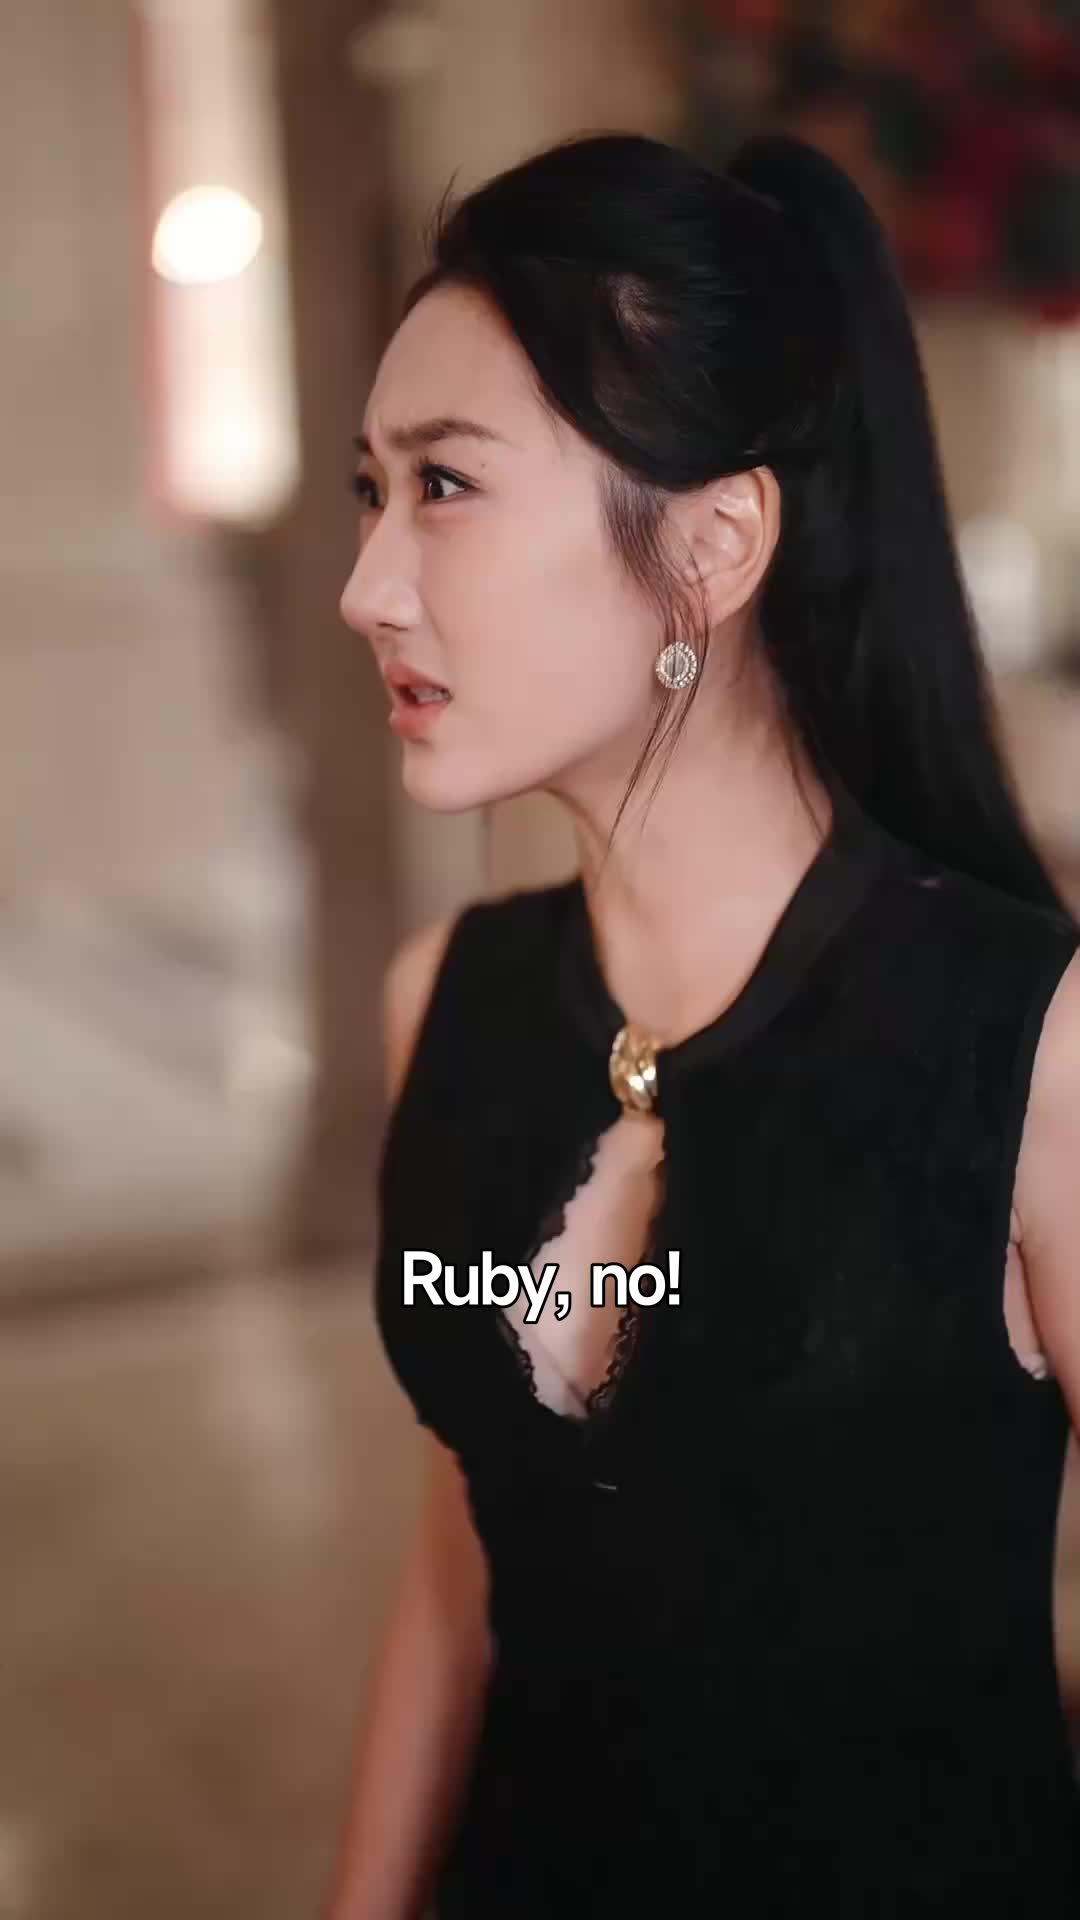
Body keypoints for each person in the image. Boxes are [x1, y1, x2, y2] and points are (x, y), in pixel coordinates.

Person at [325, 129, 1080, 1918]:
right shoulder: (446, 1002)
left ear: (715, 544)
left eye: (446, 484)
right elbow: (467, 1567)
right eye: (372, 490)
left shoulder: (1034, 1045)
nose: (368, 584)